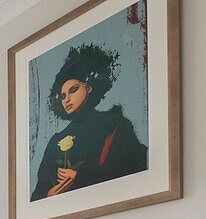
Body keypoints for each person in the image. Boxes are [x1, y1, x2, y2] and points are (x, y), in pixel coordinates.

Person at [30, 43, 148, 201]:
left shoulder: (114, 123)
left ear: (89, 88)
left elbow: (134, 167)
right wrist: (48, 196)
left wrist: (80, 176)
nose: (67, 99)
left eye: (73, 90)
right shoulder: (56, 141)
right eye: (63, 96)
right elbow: (40, 191)